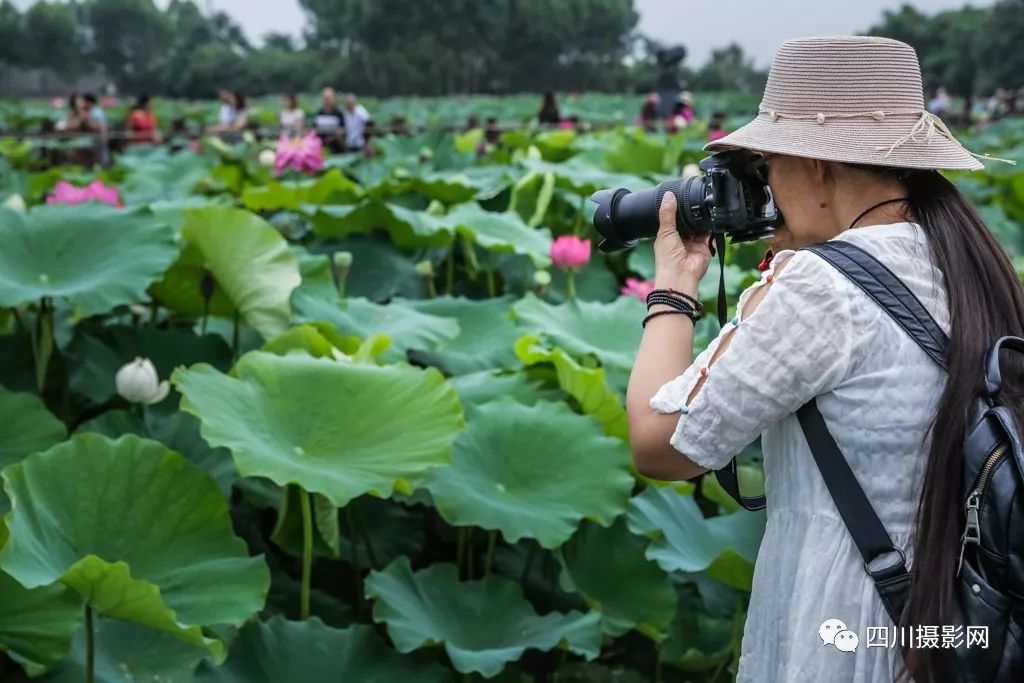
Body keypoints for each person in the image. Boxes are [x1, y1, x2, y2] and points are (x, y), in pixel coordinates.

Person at [627, 36, 1022, 683]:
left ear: (817, 167)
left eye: (768, 164)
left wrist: (673, 287)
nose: (765, 189)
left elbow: (656, 442)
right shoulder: (970, 260)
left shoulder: (822, 286)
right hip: (953, 624)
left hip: (846, 633)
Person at [313, 87, 344, 151]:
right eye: (325, 97)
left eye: (329, 97)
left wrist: (332, 137)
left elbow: (343, 130)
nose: (327, 99)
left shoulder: (339, 113)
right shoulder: (319, 113)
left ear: (334, 98)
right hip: (321, 145)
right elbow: (314, 128)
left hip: (336, 146)